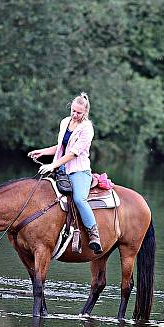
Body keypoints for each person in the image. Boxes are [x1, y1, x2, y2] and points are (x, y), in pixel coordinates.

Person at [28, 92, 102, 253]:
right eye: (73, 111)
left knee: (79, 199)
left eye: (79, 113)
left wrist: (52, 164)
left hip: (78, 170)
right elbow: (61, 146)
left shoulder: (87, 129)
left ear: (85, 112)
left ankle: (93, 233)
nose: (75, 115)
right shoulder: (65, 122)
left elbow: (73, 153)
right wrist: (42, 152)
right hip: (61, 169)